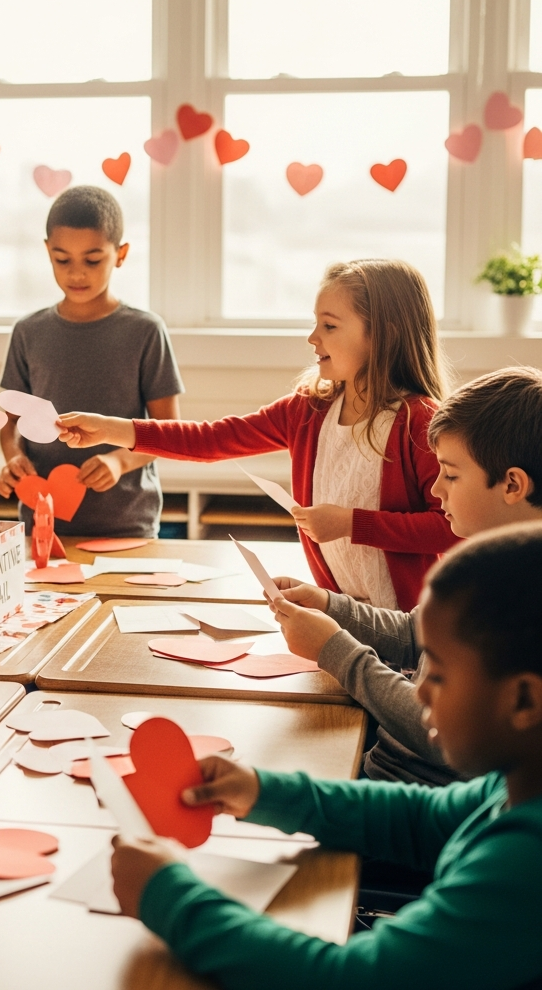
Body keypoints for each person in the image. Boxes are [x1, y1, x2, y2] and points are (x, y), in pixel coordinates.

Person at [111, 523, 542, 990]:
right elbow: (420, 820)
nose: (418, 690)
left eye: (435, 674)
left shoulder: (524, 865)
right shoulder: (516, 783)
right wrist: (261, 790)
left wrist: (171, 899)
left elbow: (347, 978)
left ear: (523, 702)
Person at [57, 259, 458, 609]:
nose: (312, 338)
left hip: (412, 630)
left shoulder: (419, 422)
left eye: (329, 326)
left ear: (382, 335)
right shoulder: (308, 410)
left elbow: (451, 527)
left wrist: (353, 524)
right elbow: (212, 440)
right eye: (316, 323)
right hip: (343, 618)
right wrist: (112, 428)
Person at [272, 366, 542, 785]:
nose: (435, 491)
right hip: (381, 773)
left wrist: (335, 651)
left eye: (451, 475)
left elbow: (442, 732)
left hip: (418, 795)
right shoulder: (482, 564)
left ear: (512, 485)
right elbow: (413, 635)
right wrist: (330, 606)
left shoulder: (525, 597)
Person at [0, 185, 183, 539]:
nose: (76, 273)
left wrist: (119, 461)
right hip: (42, 525)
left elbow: (168, 432)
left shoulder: (145, 331)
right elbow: (11, 425)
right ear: (47, 251)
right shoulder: (27, 332)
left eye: (93, 260)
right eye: (62, 259)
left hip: (127, 525)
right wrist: (12, 458)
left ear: (121, 254)